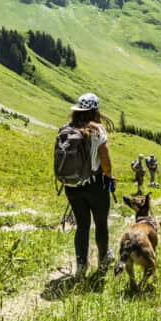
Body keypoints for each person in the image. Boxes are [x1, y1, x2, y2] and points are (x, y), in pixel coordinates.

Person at [62, 93, 116, 277]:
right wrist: (109, 176)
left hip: (72, 187)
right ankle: (102, 263)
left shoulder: (67, 129)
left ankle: (81, 267)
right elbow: (106, 162)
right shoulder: (98, 130)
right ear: (95, 111)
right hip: (95, 186)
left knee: (82, 226)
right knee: (101, 224)